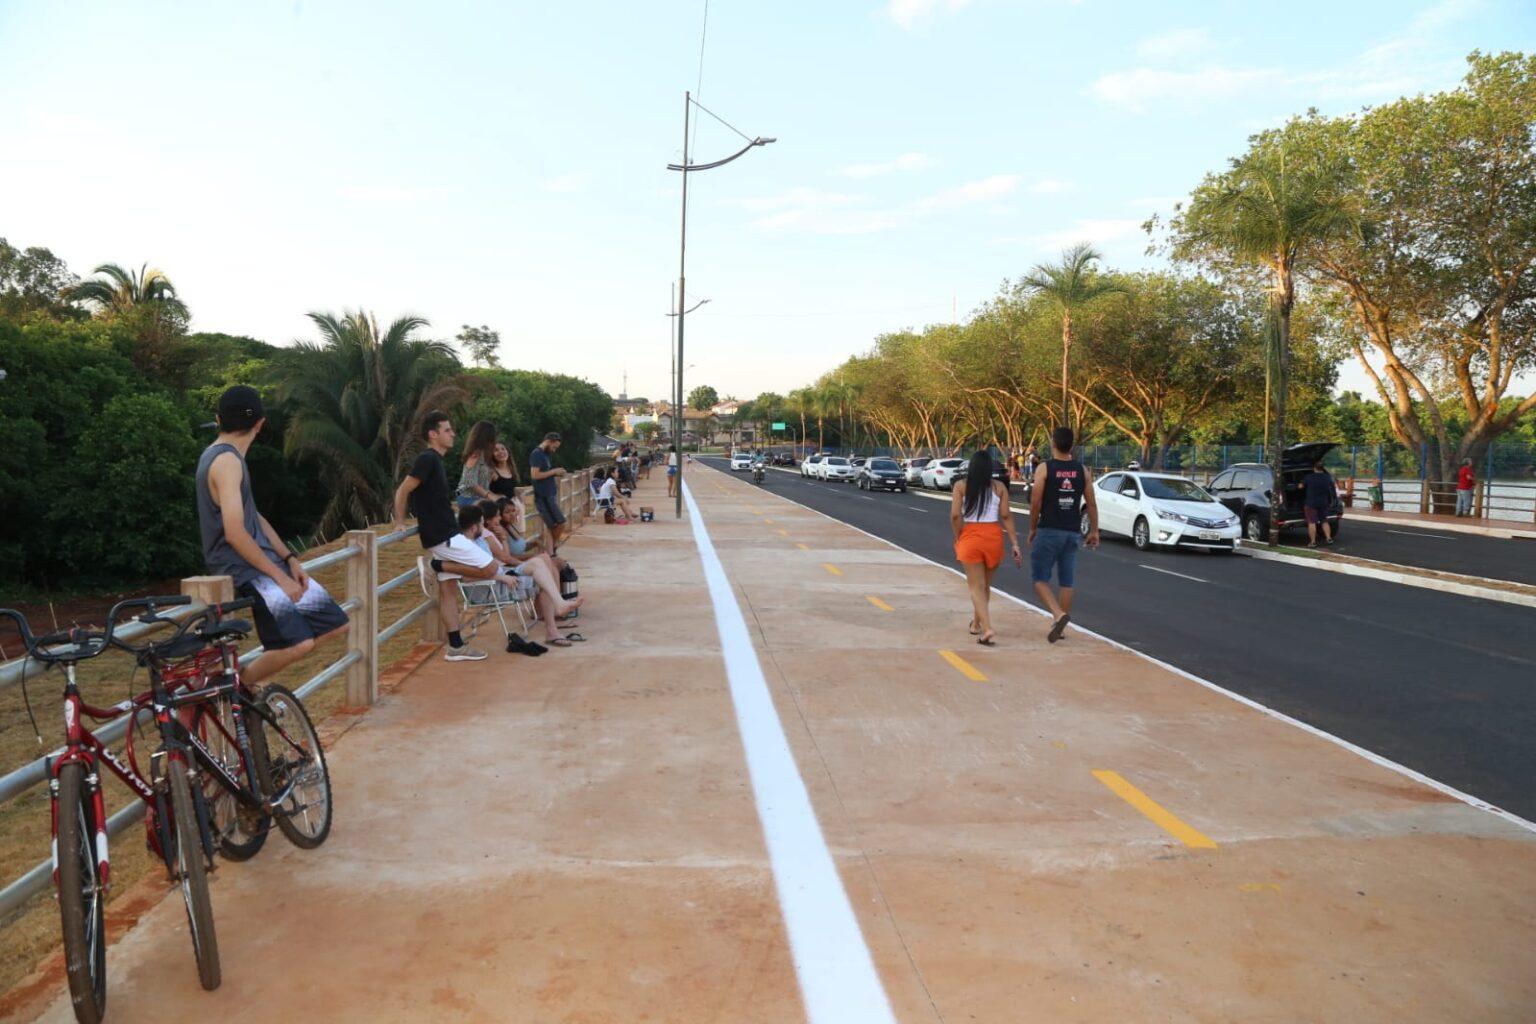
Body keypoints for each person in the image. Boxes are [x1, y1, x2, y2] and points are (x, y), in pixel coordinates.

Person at [196, 386, 349, 684]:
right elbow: (235, 533)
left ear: (219, 419)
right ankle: (237, 687)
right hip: (244, 568)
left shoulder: (228, 458)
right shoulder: (226, 462)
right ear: (260, 423)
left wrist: (289, 558)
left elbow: (253, 517)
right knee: (298, 643)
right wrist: (280, 578)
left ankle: (240, 685)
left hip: (264, 563)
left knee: (334, 623)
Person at [393, 411, 535, 662]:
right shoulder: (427, 459)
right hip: (444, 535)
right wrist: (400, 522)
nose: (453, 434)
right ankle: (436, 565)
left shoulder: (436, 460)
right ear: (433, 434)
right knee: (491, 568)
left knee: (448, 589)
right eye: (447, 430)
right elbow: (404, 489)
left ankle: (456, 647)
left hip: (445, 532)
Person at [460, 505, 584, 649]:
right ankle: (552, 626)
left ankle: (558, 606)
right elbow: (467, 577)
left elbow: (498, 560)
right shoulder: (464, 547)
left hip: (502, 575)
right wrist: (501, 577)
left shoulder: (479, 539)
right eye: (482, 524)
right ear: (474, 527)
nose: (484, 527)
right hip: (492, 586)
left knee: (542, 560)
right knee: (543, 576)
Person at [1028, 426, 1099, 643]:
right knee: (1066, 581)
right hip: (1072, 533)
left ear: (1053, 444)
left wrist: (1032, 528)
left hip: (1049, 530)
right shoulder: (1082, 470)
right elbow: (1092, 503)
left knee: (1039, 579)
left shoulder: (1045, 468)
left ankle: (1058, 615)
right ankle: (1060, 628)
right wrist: (1094, 530)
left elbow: (1036, 501)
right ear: (1072, 446)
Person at [951, 450, 1022, 646]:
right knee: (985, 586)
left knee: (975, 587)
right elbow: (1006, 516)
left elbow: (956, 516)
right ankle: (976, 623)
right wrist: (1015, 543)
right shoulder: (999, 487)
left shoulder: (961, 486)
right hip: (993, 536)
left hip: (971, 536)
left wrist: (958, 536)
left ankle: (988, 627)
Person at [528, 432, 569, 554]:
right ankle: (551, 548)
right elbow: (535, 475)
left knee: (554, 526)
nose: (554, 450)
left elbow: (544, 473)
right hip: (543, 497)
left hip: (549, 495)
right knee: (560, 523)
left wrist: (556, 473)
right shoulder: (537, 454)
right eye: (554, 447)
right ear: (549, 441)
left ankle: (550, 552)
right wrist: (554, 471)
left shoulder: (544, 455)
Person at [455, 420, 498, 508]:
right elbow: (470, 482)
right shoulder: (475, 455)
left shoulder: (485, 455)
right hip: (468, 498)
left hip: (479, 497)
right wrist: (489, 496)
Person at [1301, 460, 1337, 546]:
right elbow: (1332, 488)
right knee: (1324, 521)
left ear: (1314, 468)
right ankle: (1329, 538)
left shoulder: (1309, 477)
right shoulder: (1327, 477)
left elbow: (1301, 486)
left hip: (1311, 503)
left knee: (1312, 522)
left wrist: (1299, 484)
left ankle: (1313, 542)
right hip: (1323, 503)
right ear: (1322, 468)